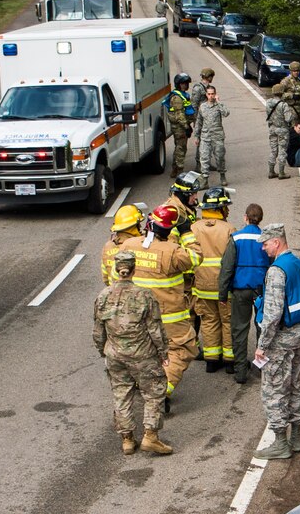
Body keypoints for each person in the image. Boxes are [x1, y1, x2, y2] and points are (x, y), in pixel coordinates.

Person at [93, 250, 173, 456]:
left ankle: (127, 439)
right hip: (143, 354)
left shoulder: (103, 296)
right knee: (154, 392)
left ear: (115, 269)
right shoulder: (144, 295)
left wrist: (104, 350)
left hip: (114, 354)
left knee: (121, 394)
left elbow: (98, 331)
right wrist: (163, 352)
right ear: (133, 269)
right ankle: (150, 436)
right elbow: (155, 328)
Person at [251, 225, 300, 459]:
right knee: (295, 385)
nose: (263, 248)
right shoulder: (296, 263)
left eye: (266, 243)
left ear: (277, 242)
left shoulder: (276, 270)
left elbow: (273, 313)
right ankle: (296, 437)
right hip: (298, 334)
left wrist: (262, 345)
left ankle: (280, 442)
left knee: (274, 389)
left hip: (280, 340)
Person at [133, 204, 200, 395]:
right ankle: (161, 392)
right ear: (170, 229)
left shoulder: (130, 246)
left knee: (145, 350)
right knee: (183, 349)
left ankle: (143, 384)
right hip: (170, 317)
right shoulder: (173, 251)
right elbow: (196, 258)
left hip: (138, 315)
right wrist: (186, 232)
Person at [185, 188, 236, 373]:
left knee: (208, 321)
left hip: (201, 286)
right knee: (228, 321)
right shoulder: (229, 229)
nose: (228, 211)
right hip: (224, 287)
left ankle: (212, 361)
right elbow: (234, 259)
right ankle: (230, 362)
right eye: (226, 207)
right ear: (220, 208)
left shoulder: (194, 228)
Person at [219, 202, 267, 386]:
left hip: (240, 291)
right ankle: (262, 367)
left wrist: (222, 294)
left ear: (245, 218)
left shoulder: (236, 238)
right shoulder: (265, 238)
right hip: (262, 290)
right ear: (260, 219)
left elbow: (227, 268)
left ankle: (240, 371)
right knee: (263, 327)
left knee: (239, 329)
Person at [100, 203, 147, 284]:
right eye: (138, 225)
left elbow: (106, 279)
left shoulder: (108, 246)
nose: (140, 227)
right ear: (134, 227)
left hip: (113, 292)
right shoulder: (139, 246)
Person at [195, 85, 230, 184]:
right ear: (206, 94)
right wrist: (197, 136)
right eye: (209, 94)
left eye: (212, 94)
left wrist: (219, 102)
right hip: (205, 137)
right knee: (204, 158)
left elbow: (226, 113)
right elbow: (199, 122)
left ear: (215, 94)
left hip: (217, 137)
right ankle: (205, 180)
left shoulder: (218, 106)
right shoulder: (203, 106)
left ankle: (222, 175)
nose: (210, 96)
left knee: (220, 157)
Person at [166, 72, 196, 173]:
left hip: (182, 125)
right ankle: (179, 170)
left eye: (187, 83)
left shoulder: (183, 95)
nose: (186, 85)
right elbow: (179, 115)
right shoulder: (177, 98)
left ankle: (175, 169)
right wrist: (186, 127)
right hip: (180, 127)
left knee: (179, 147)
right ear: (179, 84)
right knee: (181, 149)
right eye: (184, 83)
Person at [264, 92, 296, 179]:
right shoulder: (283, 105)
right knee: (282, 150)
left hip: (272, 128)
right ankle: (281, 173)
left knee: (273, 150)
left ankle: (271, 171)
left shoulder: (268, 103)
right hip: (282, 129)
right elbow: (288, 118)